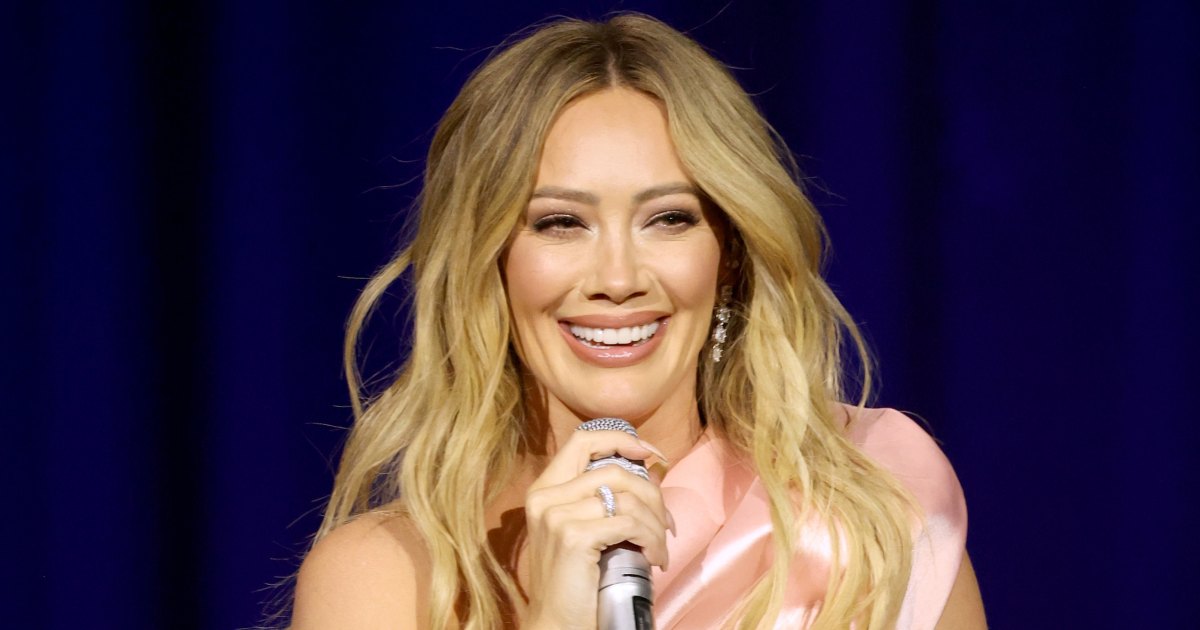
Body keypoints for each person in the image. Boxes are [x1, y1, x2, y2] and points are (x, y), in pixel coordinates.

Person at [290, 12, 985, 630]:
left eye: (669, 219)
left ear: (729, 256)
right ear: (489, 261)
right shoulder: (381, 579)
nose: (618, 279)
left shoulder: (870, 519)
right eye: (561, 223)